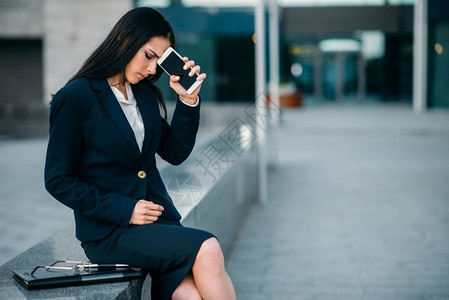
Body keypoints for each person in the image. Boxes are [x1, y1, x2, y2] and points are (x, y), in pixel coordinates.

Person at [44, 7, 236, 300]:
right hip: (111, 231)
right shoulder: (76, 97)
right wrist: (125, 209)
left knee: (191, 296)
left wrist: (188, 99)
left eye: (159, 62)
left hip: (159, 222)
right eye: (149, 56)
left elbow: (175, 152)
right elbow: (58, 179)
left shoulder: (143, 94)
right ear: (124, 40)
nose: (152, 70)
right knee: (208, 248)